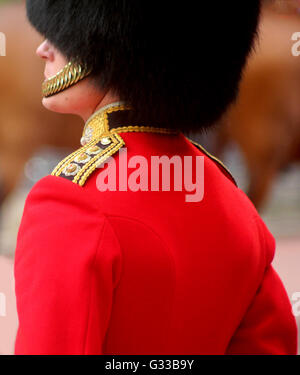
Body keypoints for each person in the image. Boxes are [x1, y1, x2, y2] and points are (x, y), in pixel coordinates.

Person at [14, 0, 297, 355]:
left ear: (107, 47)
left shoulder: (68, 202)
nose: (42, 49)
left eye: (59, 36)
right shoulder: (234, 202)